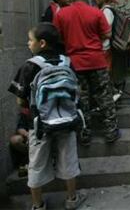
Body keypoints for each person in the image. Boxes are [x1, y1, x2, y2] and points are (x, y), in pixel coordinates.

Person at [8, 23, 86, 210]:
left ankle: (37, 204)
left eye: (30, 40)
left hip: (39, 124)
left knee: (36, 164)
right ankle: (72, 199)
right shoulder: (67, 62)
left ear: (41, 43)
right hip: (67, 121)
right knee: (68, 159)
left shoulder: (29, 66)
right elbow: (78, 91)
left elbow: (20, 101)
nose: (28, 43)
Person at [53, 0, 120, 145]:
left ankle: (84, 134)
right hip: (97, 61)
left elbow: (57, 37)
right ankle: (111, 132)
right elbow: (107, 34)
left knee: (81, 99)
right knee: (105, 97)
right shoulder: (96, 12)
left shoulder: (62, 14)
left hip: (75, 63)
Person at [92, 0, 114, 70]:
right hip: (99, 48)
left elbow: (106, 32)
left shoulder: (107, 11)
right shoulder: (99, 10)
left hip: (104, 48)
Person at [9, 108, 30, 177]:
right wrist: (27, 135)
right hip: (29, 139)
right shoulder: (26, 110)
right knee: (14, 140)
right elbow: (20, 128)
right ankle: (27, 161)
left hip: (44, 138)